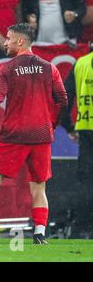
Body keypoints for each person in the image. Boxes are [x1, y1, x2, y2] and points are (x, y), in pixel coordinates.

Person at [0, 23, 68, 245]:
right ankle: (40, 233)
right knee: (39, 185)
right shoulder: (49, 68)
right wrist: (52, 124)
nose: (5, 42)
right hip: (41, 135)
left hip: (14, 135)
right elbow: (62, 99)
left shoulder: (8, 69)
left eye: (8, 38)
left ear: (20, 41)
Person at [61, 51, 93, 237]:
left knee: (87, 182)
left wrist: (68, 125)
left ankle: (83, 228)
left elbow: (64, 97)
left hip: (87, 129)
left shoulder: (81, 64)